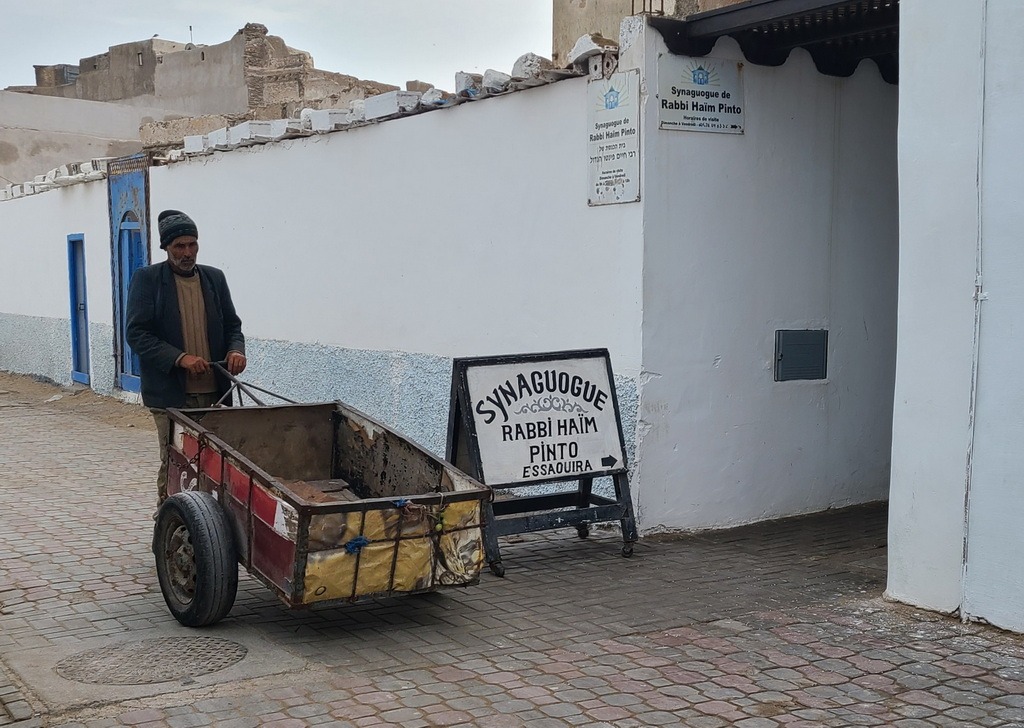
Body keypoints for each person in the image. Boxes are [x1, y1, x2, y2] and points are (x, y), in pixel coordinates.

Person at [126, 209, 247, 504]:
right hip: (170, 396)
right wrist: (180, 358)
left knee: (216, 466)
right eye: (179, 246)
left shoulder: (214, 278)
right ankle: (167, 529)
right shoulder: (148, 279)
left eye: (192, 244)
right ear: (166, 247)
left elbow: (233, 325)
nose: (187, 252)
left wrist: (236, 350)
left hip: (215, 393)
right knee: (177, 465)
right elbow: (137, 334)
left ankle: (208, 529)